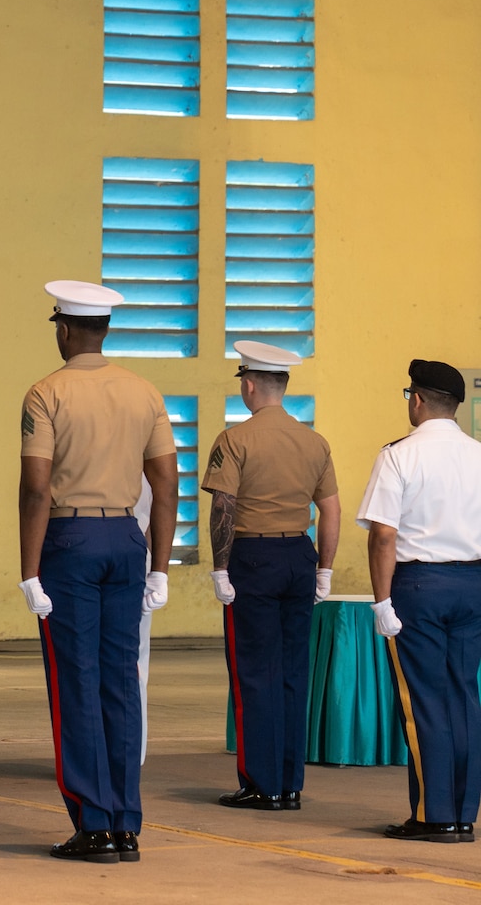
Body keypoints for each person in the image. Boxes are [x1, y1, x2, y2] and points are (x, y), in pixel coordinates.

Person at [17, 281, 177, 863]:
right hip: (125, 542)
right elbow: (165, 483)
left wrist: (30, 569)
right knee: (120, 679)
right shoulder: (144, 392)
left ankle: (94, 824)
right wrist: (159, 565)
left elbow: (36, 488)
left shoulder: (46, 393)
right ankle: (127, 821)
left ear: (63, 329)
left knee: (74, 682)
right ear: (104, 328)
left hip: (70, 538)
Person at [202, 341, 340, 811]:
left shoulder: (234, 440)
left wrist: (220, 568)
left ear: (249, 384)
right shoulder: (314, 442)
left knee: (253, 674)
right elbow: (330, 510)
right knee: (292, 673)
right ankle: (289, 783)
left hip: (252, 558)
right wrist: (325, 567)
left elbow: (224, 506)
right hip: (299, 557)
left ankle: (261, 784)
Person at [357, 358, 481, 844]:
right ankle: (464, 813)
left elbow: (383, 536)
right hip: (472, 583)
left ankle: (435, 816)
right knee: (464, 698)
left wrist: (382, 601)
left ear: (417, 399)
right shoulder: (478, 454)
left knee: (424, 702)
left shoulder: (399, 455)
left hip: (420, 587)